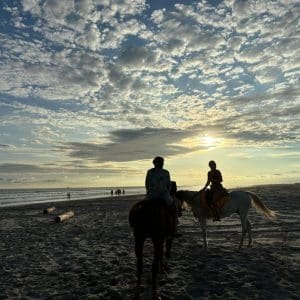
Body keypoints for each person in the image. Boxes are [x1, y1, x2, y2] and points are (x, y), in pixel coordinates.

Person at [145, 156, 181, 237]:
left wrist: (150, 191)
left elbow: (146, 184)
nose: (162, 164)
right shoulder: (166, 172)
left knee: (143, 206)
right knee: (174, 207)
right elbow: (169, 185)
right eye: (162, 163)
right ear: (161, 163)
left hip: (151, 195)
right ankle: (174, 229)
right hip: (163, 195)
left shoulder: (149, 172)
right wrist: (167, 192)